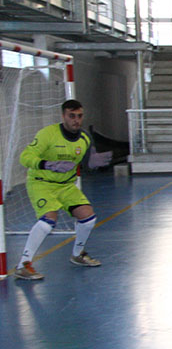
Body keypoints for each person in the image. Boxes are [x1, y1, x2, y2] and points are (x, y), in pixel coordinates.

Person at [14, 99, 110, 280]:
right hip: (42, 183)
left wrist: (94, 162)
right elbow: (25, 157)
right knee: (48, 221)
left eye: (79, 116)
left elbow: (88, 163)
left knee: (88, 217)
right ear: (63, 116)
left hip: (66, 185)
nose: (76, 120)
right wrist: (47, 164)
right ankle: (23, 265)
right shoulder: (47, 134)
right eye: (71, 116)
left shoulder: (85, 138)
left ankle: (78, 254)